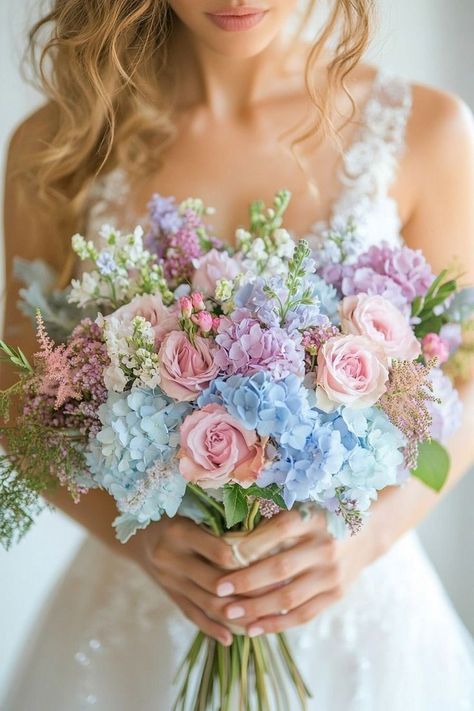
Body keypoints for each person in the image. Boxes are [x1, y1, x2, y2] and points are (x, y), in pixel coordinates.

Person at [2, 1, 474, 709]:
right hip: (137, 625)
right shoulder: (62, 146)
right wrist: (140, 540)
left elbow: (464, 377)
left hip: (358, 619)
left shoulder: (427, 132)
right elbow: (17, 394)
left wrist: (366, 535)